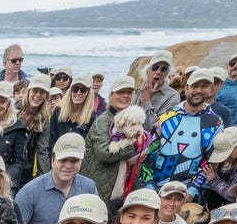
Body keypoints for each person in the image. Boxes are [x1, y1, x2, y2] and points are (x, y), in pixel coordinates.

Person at [138, 69, 224, 189]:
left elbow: (209, 162)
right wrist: (149, 186)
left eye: (204, 86)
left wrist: (193, 191)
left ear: (210, 89)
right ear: (186, 88)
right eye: (195, 86)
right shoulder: (166, 118)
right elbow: (149, 154)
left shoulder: (216, 123)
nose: (199, 90)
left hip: (188, 191)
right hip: (157, 187)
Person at [14, 133, 97, 224]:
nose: (68, 166)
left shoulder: (89, 187)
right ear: (52, 160)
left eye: (74, 161)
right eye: (63, 160)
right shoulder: (29, 192)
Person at [82, 76, 146, 206]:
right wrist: (134, 146)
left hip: (119, 186)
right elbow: (104, 153)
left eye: (129, 92)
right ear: (111, 95)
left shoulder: (133, 120)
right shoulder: (103, 122)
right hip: (100, 187)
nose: (125, 96)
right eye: (120, 92)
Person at [16, 73, 54, 186]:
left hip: (28, 167)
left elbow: (42, 150)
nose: (37, 95)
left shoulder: (45, 120)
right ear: (28, 91)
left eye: (42, 92)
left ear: (46, 96)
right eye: (35, 90)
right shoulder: (13, 110)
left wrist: (46, 179)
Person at [133, 50, 180, 129]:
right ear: (147, 70)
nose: (158, 72)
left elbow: (158, 128)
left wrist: (146, 101)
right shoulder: (136, 92)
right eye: (155, 67)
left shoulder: (173, 96)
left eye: (164, 69)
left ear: (167, 73)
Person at [50, 74, 98, 142]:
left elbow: (89, 143)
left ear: (88, 93)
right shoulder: (58, 111)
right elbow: (52, 140)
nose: (78, 93)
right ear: (70, 90)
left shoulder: (91, 117)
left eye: (83, 90)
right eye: (75, 89)